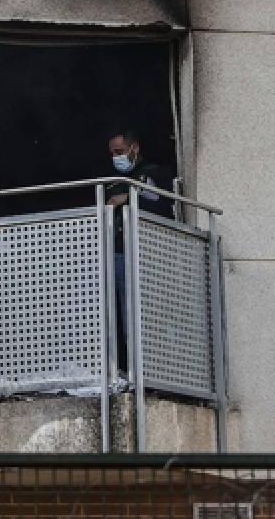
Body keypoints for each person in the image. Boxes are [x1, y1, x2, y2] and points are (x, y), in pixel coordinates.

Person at [104, 126, 175, 376]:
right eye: (113, 153)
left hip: (147, 253)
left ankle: (153, 373)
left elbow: (163, 206)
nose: (116, 157)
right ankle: (126, 370)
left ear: (135, 148)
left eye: (120, 151)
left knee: (148, 316)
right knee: (119, 317)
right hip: (117, 253)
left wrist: (130, 199)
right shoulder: (113, 182)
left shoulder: (152, 174)